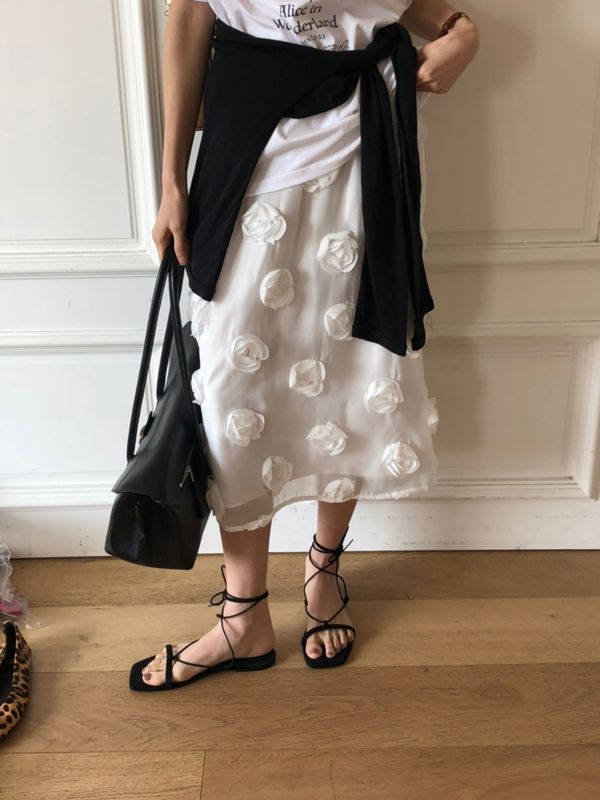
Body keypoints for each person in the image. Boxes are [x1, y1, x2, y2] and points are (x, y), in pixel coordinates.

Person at [130, 0, 479, 691]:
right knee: (229, 381)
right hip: (249, 143)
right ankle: (244, 615)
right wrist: (170, 180)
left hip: (364, 142)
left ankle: (324, 569)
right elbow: (191, 12)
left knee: (354, 364)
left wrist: (462, 31)